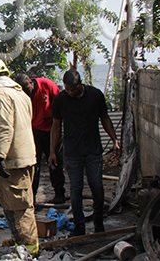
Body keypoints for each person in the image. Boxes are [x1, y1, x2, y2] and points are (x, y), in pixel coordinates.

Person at [49, 69, 121, 237]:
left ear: (79, 84)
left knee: (97, 186)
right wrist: (53, 151)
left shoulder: (95, 95)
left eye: (72, 89)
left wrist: (115, 140)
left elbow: (105, 118)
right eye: (67, 89)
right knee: (76, 189)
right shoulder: (60, 100)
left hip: (93, 150)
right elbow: (56, 126)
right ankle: (79, 225)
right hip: (72, 151)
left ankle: (98, 222)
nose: (70, 92)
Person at [0, 58, 39, 256]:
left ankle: (29, 248)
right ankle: (18, 239)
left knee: (21, 205)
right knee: (10, 202)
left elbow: (4, 127)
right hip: (23, 155)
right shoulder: (19, 92)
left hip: (12, 160)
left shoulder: (1, 94)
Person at [14, 74, 66, 204]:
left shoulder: (46, 85)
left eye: (27, 90)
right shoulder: (21, 95)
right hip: (34, 131)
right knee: (34, 165)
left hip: (51, 130)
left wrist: (58, 122)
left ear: (31, 83)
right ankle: (32, 196)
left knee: (54, 162)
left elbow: (59, 101)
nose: (26, 93)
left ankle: (59, 193)